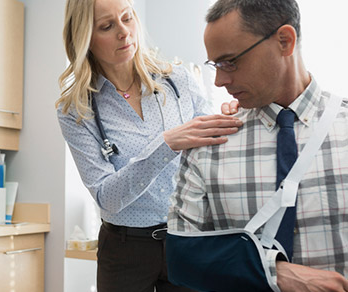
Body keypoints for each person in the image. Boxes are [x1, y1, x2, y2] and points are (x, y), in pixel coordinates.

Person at [56, 0, 242, 291]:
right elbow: (107, 198)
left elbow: (211, 148)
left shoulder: (178, 80)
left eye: (127, 18)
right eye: (107, 26)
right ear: (84, 39)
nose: (124, 32)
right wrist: (165, 145)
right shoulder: (77, 110)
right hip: (124, 250)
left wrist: (232, 118)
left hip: (187, 236)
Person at [166, 0, 348, 291]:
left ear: (285, 41)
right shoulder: (209, 145)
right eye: (215, 65)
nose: (219, 80)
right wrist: (278, 275)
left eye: (230, 62)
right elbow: (180, 260)